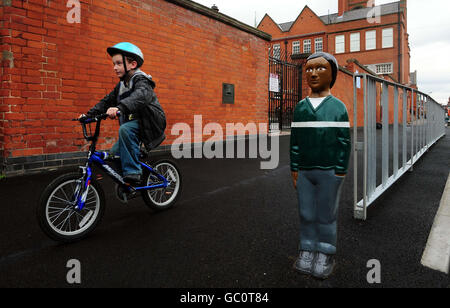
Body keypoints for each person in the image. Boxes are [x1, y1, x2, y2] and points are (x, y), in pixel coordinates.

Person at [290, 52, 351, 279]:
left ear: (332, 74)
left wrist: (340, 170)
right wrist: (294, 168)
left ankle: (325, 251)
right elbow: (295, 141)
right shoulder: (301, 108)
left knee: (326, 213)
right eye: (309, 69)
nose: (313, 73)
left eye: (320, 68)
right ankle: (306, 247)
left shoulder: (338, 108)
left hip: (328, 172)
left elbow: (344, 142)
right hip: (304, 171)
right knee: (306, 212)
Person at [81, 42, 166, 183]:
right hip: (137, 123)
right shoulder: (121, 86)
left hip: (151, 122)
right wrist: (88, 115)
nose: (115, 67)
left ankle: (133, 172)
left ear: (132, 64)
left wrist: (120, 107)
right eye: (114, 64)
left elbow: (140, 96)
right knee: (115, 154)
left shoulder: (142, 80)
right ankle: (127, 182)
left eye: (119, 63)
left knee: (125, 129)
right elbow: (106, 101)